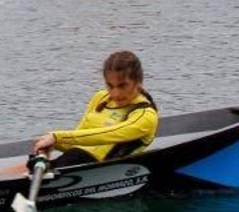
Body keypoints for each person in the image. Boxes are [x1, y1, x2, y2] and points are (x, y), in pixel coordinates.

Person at [31, 51, 159, 167]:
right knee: (32, 163)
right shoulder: (100, 97)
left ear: (138, 81)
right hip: (75, 160)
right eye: (110, 85)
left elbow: (109, 134)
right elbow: (76, 141)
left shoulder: (146, 115)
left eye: (122, 86)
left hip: (100, 168)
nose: (115, 94)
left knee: (72, 158)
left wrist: (57, 136)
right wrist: (54, 144)